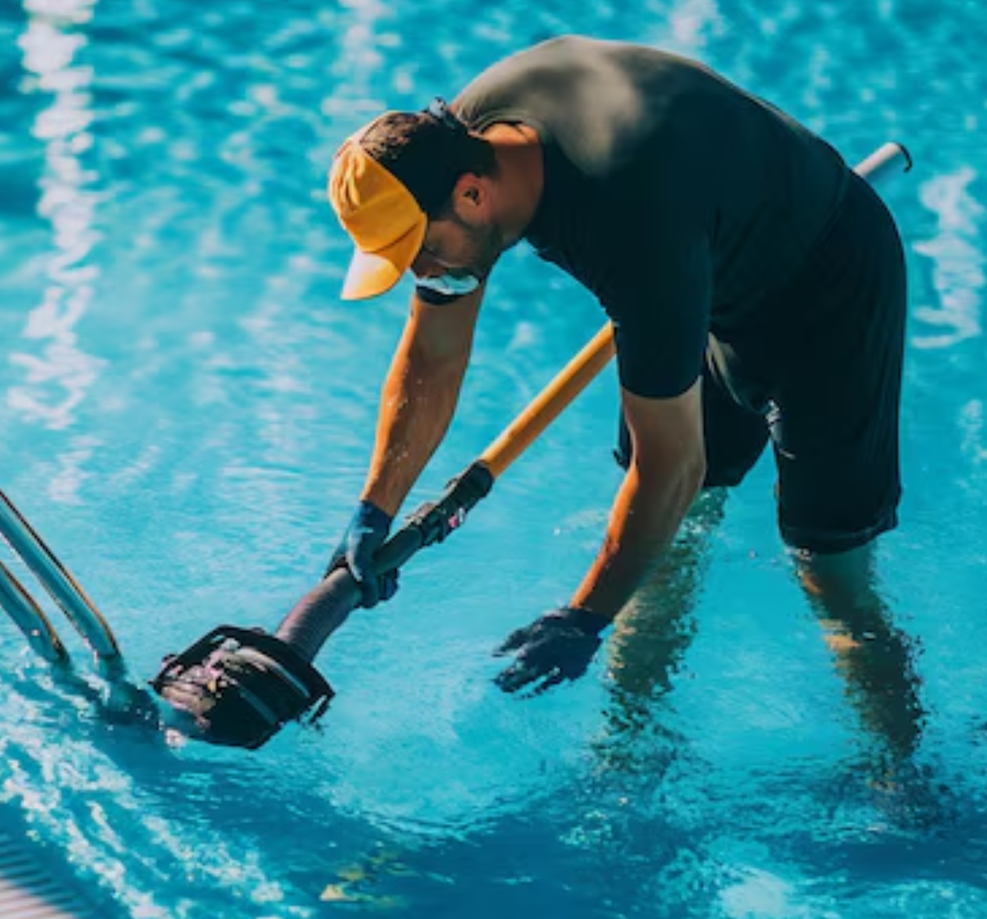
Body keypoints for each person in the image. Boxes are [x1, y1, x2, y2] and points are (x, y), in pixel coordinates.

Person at [325, 34, 922, 726]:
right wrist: (375, 508)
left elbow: (670, 465)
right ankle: (629, 748)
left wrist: (583, 618)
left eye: (423, 252)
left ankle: (897, 768)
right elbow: (432, 353)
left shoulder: (631, 223)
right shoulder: (457, 145)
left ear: (472, 193)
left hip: (828, 284)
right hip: (703, 260)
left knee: (829, 569)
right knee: (666, 542)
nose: (423, 275)